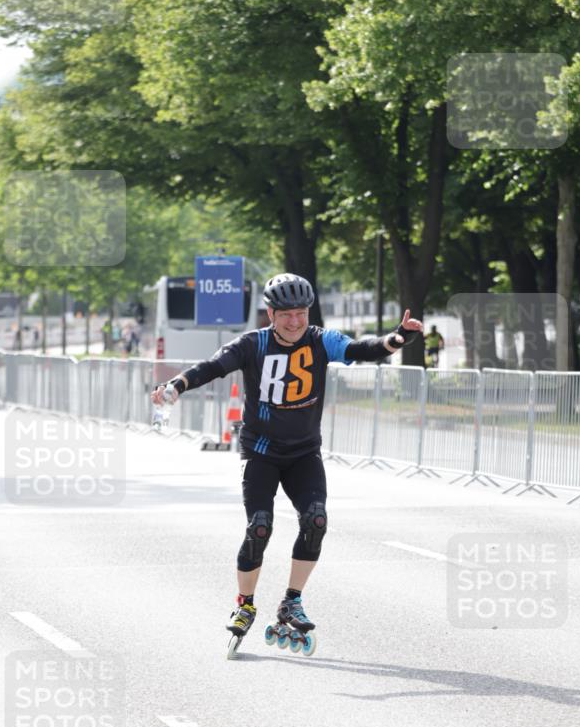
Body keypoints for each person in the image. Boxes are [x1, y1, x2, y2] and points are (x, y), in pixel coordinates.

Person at [150, 273, 423, 644]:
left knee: (316, 520)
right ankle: (245, 603)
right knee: (259, 527)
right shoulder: (253, 344)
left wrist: (399, 337)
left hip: (303, 452)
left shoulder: (321, 340)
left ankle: (291, 601)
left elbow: (363, 349)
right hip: (260, 452)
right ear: (271, 314)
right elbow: (211, 367)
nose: (295, 322)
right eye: (286, 315)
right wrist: (176, 386)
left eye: (301, 313)